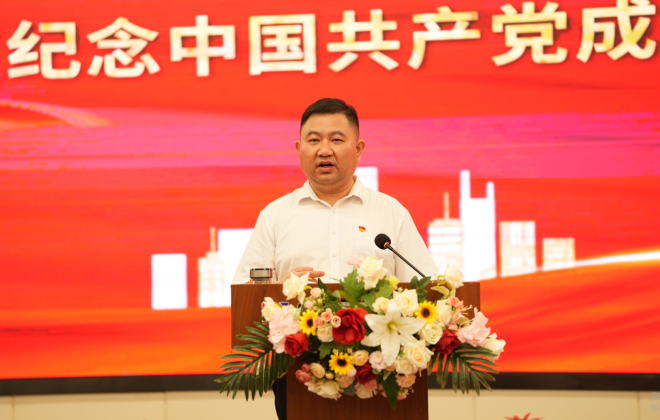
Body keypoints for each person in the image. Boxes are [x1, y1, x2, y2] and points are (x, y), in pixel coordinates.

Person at [232, 98, 438, 419]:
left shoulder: (390, 212)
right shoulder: (275, 216)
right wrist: (282, 290)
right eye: (314, 140)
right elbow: (244, 294)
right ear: (299, 149)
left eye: (337, 140)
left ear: (358, 149)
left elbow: (427, 287)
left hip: (382, 372)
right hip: (299, 374)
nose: (324, 150)